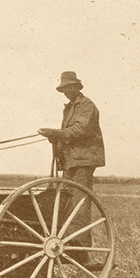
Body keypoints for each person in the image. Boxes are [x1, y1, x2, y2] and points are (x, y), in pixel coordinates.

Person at [38, 71, 105, 266]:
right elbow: (68, 133)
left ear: (77, 87)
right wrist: (55, 136)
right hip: (70, 160)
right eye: (64, 89)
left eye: (69, 88)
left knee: (79, 203)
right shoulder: (69, 107)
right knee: (67, 202)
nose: (67, 92)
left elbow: (80, 130)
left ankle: (80, 249)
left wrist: (56, 133)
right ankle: (69, 242)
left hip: (83, 160)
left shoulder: (87, 106)